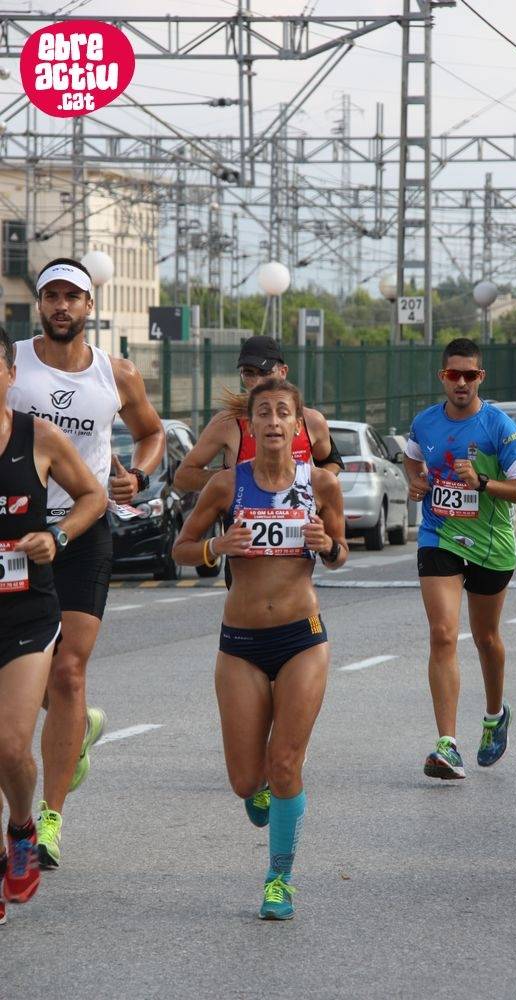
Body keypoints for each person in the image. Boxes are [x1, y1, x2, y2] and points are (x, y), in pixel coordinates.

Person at [8, 257, 165, 870]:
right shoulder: (13, 363)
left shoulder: (115, 373)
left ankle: (50, 820)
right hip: (17, 532)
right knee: (37, 673)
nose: (61, 306)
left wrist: (140, 475)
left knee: (68, 672)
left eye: (72, 296)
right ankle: (77, 727)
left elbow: (151, 434)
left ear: (89, 305)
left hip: (84, 526)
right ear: (39, 304)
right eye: (51, 296)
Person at [173, 377, 347, 920]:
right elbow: (180, 548)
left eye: (282, 412)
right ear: (250, 425)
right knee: (246, 780)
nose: (273, 421)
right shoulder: (227, 485)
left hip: (302, 638)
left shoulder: (321, 483)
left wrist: (329, 545)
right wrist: (216, 546)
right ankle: (261, 791)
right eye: (264, 412)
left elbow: (340, 551)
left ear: (299, 425)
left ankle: (279, 880)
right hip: (242, 644)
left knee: (286, 763)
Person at [0, 326, 106, 922]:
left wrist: (57, 536)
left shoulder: (37, 436)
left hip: (25, 611)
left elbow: (92, 497)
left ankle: (22, 825)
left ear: (10, 374)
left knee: (9, 746)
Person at [404, 338, 516, 780]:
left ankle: (495, 714)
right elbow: (412, 458)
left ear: (481, 377)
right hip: (439, 536)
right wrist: (417, 482)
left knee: (485, 638)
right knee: (442, 634)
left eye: (469, 375)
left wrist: (481, 484)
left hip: (491, 545)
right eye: (453, 375)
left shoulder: (500, 427)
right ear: (442, 377)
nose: (461, 383)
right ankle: (447, 744)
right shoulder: (425, 422)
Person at [173, 335, 343, 494]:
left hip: (299, 515)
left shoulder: (311, 420)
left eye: (265, 372)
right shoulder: (227, 422)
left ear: (283, 372)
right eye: (249, 373)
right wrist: (235, 479)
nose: (258, 382)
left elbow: (331, 462)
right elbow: (182, 477)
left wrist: (307, 485)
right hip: (242, 516)